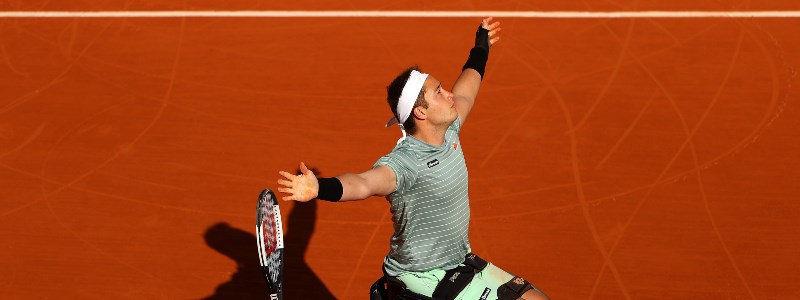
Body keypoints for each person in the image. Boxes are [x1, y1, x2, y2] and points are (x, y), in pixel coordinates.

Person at [277, 18, 549, 300]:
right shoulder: (405, 163)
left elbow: (469, 83)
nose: (449, 94)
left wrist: (481, 46)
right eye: (439, 92)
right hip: (420, 278)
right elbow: (363, 183)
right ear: (421, 113)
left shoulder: (450, 130)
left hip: (458, 263)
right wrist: (320, 187)